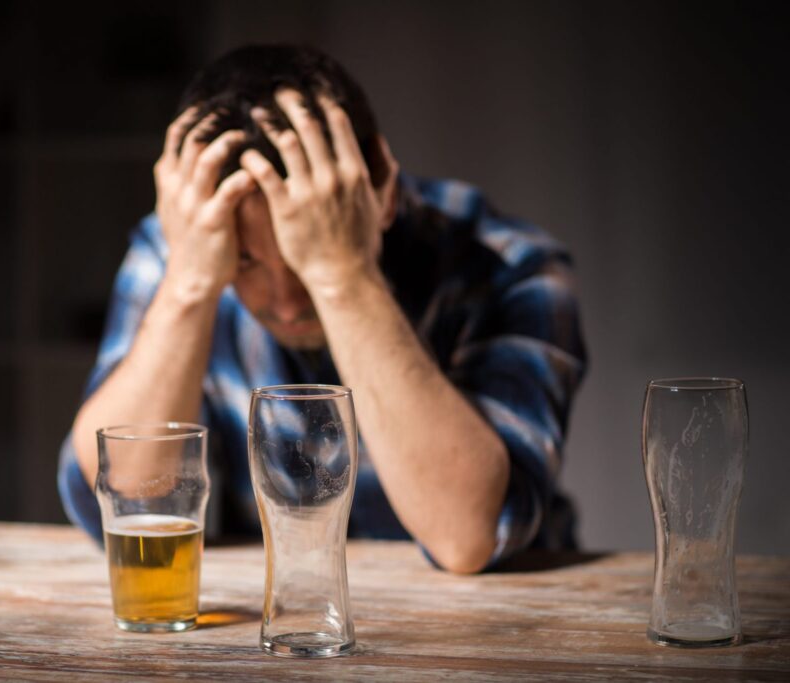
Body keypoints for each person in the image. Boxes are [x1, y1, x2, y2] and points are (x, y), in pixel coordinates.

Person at [58, 44, 586, 573]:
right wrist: (192, 283)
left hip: (497, 624)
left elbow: (469, 536)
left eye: (301, 257)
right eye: (245, 263)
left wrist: (344, 275)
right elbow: (119, 501)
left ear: (382, 188)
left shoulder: (514, 265)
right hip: (283, 617)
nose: (286, 303)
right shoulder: (185, 245)